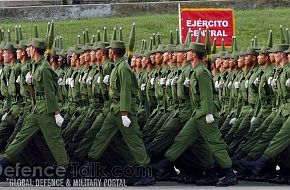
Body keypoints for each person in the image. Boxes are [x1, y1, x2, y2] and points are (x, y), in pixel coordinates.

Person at [0, 38, 69, 175]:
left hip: (47, 109)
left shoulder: (45, 68)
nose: (27, 50)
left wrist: (56, 114)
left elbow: (51, 93)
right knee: (22, 135)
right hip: (37, 108)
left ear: (36, 49)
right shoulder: (36, 66)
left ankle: (65, 170)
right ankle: (5, 160)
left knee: (54, 140)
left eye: (30, 47)